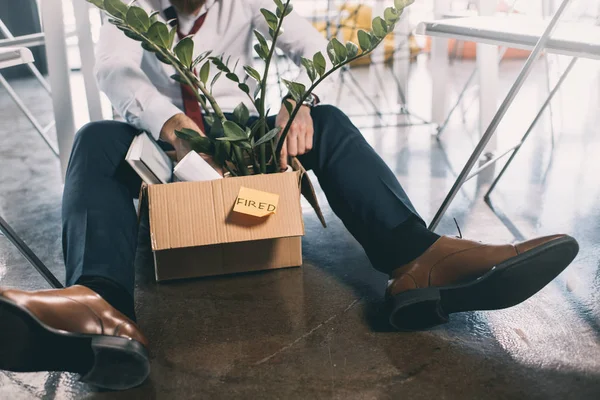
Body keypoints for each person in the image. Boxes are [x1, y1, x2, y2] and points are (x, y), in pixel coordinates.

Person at [0, 0, 579, 391]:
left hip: (245, 135)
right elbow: (112, 68)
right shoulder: (128, 8)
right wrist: (172, 125)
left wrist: (298, 99)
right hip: (166, 141)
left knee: (323, 120)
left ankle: (420, 261)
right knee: (98, 140)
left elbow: (310, 51)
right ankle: (101, 310)